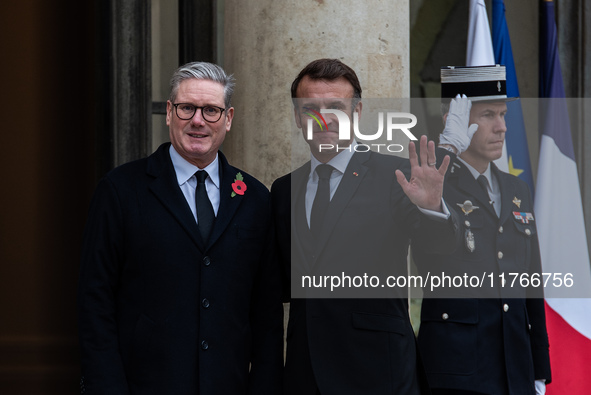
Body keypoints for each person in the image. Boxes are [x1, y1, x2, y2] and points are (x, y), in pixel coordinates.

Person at [77, 61, 283, 394]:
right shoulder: (120, 190)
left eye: (211, 110)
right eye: (188, 108)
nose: (198, 120)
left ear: (228, 118)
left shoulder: (255, 198)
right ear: (171, 112)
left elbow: (267, 313)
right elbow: (94, 301)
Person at [271, 58, 462, 395]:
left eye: (336, 107)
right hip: (305, 371)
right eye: (310, 107)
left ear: (356, 114)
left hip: (377, 371)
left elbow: (439, 253)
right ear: (299, 117)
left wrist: (433, 208)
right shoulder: (284, 188)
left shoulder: (397, 176)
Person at [413, 65, 551, 395]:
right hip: (458, 371)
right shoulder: (431, 185)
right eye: (488, 114)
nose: (502, 127)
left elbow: (531, 280)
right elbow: (428, 253)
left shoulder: (516, 188)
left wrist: (539, 367)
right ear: (454, 119)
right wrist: (447, 150)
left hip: (515, 368)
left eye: (503, 114)